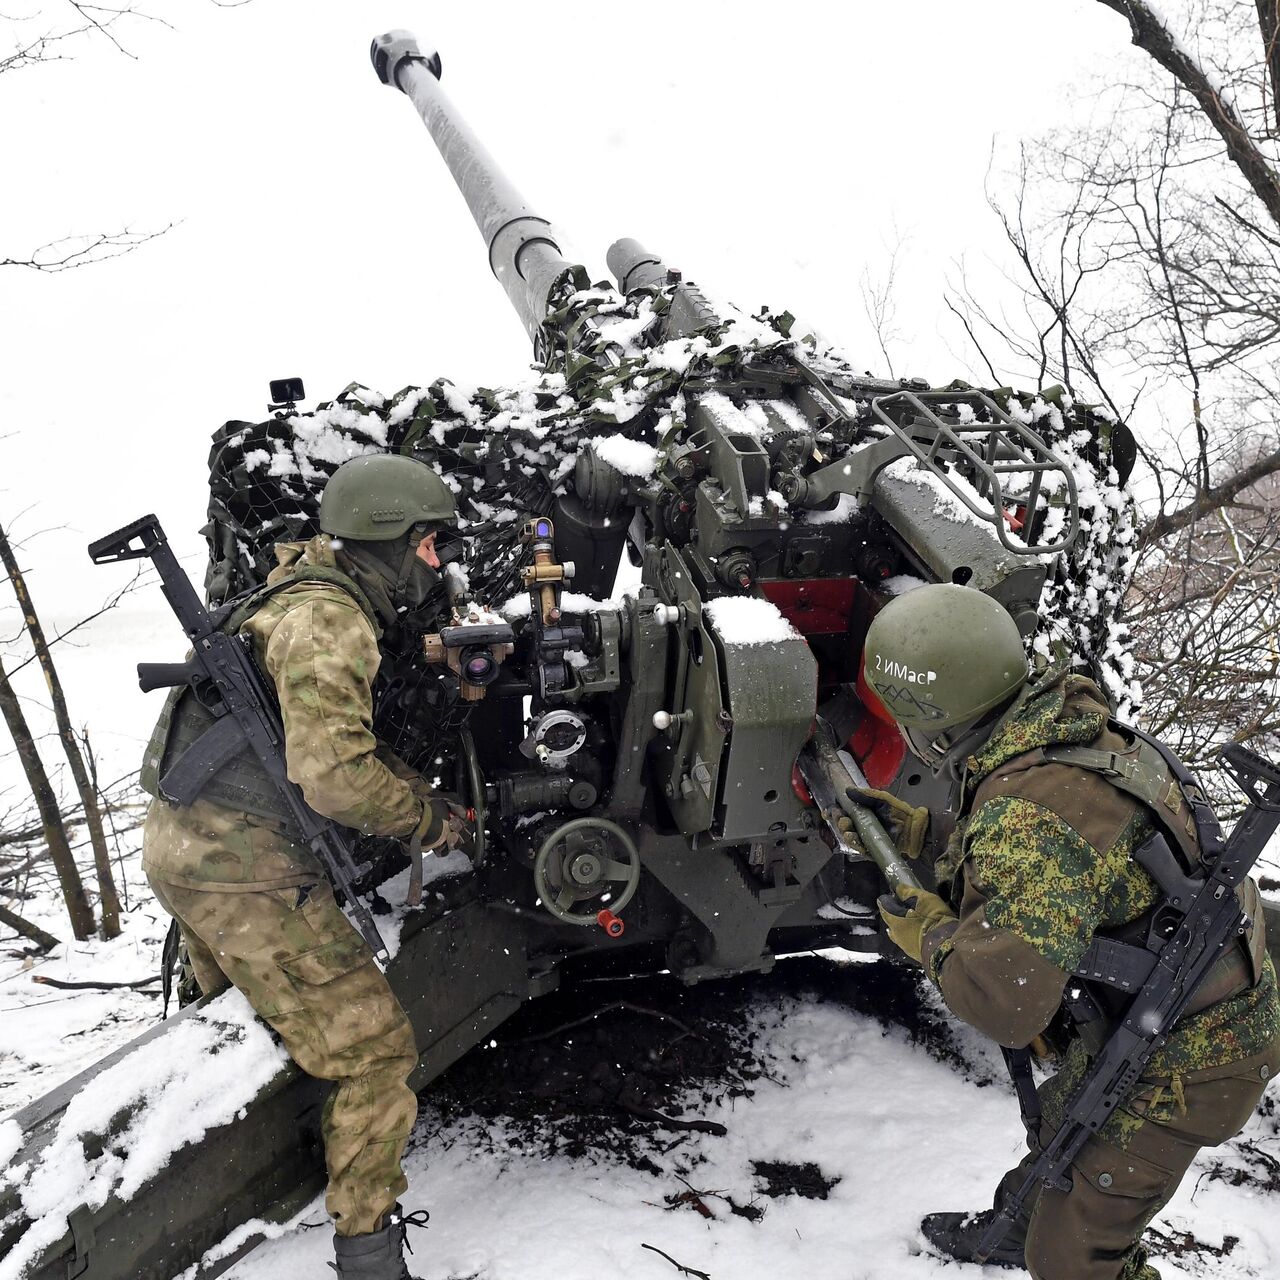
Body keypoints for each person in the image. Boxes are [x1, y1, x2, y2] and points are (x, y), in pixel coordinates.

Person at [864, 583, 1279, 1280]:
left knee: (1074, 1261)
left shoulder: (1028, 811)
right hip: (1176, 1008)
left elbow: (1005, 1002)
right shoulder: (1065, 734)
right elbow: (1064, 866)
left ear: (929, 721)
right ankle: (1014, 1226)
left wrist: (932, 939)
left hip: (1195, 1059)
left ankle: (1047, 1242)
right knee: (1068, 1128)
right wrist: (924, 834)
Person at [140, 453, 467, 1280]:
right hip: (241, 870)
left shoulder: (299, 588)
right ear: (391, 541)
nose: (438, 562)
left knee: (252, 1026)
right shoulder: (330, 620)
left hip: (191, 848)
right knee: (372, 1051)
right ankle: (369, 1257)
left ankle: (244, 1178)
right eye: (430, 545)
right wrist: (428, 820)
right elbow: (331, 774)